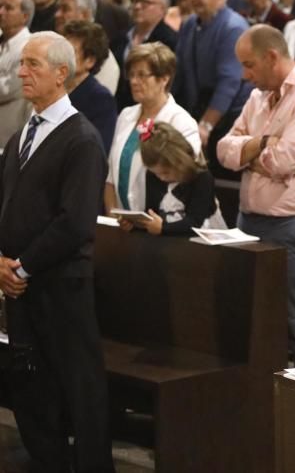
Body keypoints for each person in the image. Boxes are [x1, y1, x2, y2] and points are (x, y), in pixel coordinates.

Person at [0, 31, 113, 471]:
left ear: (61, 74)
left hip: (61, 285)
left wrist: (21, 268)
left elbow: (75, 221)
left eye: (33, 65)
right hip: (20, 285)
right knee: (30, 385)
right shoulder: (22, 132)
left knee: (79, 388)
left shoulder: (81, 139)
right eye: (21, 63)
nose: (21, 72)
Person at [218, 25, 295, 367]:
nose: (244, 74)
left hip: (293, 227)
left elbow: (284, 162)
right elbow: (224, 151)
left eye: (249, 64)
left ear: (272, 57)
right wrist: (263, 142)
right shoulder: (257, 97)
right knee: (249, 319)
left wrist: (249, 153)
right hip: (248, 222)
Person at [172, 0, 252, 178]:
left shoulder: (233, 27)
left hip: (227, 115)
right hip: (197, 107)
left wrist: (206, 124)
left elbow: (229, 82)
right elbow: (179, 71)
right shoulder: (190, 24)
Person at [104, 42, 199, 214]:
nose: (134, 81)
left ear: (164, 78)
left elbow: (186, 177)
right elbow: (111, 174)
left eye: (142, 75)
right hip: (124, 221)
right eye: (131, 75)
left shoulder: (181, 121)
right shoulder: (126, 115)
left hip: (164, 223)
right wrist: (112, 214)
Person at [117, 120, 224, 235]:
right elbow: (152, 213)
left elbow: (194, 222)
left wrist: (163, 228)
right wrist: (135, 225)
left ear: (180, 162)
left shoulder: (202, 178)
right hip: (171, 242)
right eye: (156, 173)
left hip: (205, 241)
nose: (161, 178)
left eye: (166, 172)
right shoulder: (153, 176)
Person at [115, 0, 177, 109]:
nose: (137, 6)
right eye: (134, 1)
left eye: (145, 2)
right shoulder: (119, 38)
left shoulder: (170, 41)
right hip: (123, 111)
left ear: (163, 8)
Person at [62, 20, 117, 152]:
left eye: (70, 52)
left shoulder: (101, 99)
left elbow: (96, 150)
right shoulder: (53, 87)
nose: (61, 56)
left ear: (90, 61)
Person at [0, 0, 33, 145]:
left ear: (25, 16)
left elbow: (6, 90)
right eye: (0, 6)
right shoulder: (2, 42)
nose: (1, 12)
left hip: (9, 135)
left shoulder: (29, 46)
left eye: (8, 8)